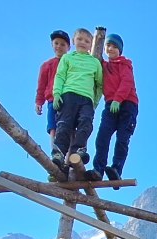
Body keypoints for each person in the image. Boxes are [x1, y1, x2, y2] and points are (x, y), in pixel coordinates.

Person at [51, 28, 104, 174]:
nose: (83, 42)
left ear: (91, 44)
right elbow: (60, 76)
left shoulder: (95, 63)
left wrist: (95, 102)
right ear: (74, 41)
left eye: (87, 41)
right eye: (80, 39)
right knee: (64, 124)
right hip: (68, 95)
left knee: (85, 123)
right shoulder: (67, 58)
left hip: (87, 98)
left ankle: (78, 150)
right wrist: (56, 94)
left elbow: (99, 84)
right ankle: (59, 153)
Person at [90, 33, 139, 183]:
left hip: (128, 104)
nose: (111, 49)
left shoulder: (125, 64)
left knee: (122, 139)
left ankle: (116, 169)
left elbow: (127, 82)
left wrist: (118, 99)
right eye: (108, 46)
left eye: (114, 46)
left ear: (120, 50)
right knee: (102, 136)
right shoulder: (102, 65)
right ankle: (98, 169)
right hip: (110, 104)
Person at [35, 30, 70, 148]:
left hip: (68, 99)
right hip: (52, 99)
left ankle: (68, 155)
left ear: (68, 48)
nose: (59, 46)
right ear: (52, 45)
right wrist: (39, 102)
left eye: (62, 44)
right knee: (53, 126)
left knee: (68, 126)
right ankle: (54, 149)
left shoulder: (72, 63)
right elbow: (41, 85)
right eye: (56, 43)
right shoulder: (47, 65)